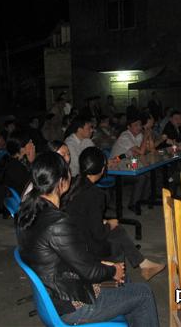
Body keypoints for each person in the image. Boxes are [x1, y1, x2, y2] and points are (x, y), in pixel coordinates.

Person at [17, 152, 159, 326]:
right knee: (143, 293)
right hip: (72, 304)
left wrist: (102, 265)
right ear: (62, 181)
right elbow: (89, 272)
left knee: (125, 282)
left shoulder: (28, 211)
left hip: (57, 289)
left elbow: (63, 257)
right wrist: (112, 270)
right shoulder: (57, 223)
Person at [63, 147, 165, 281]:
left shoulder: (74, 184)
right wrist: (109, 224)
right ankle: (120, 280)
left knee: (117, 229)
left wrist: (105, 222)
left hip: (72, 239)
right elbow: (98, 234)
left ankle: (144, 265)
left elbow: (81, 217)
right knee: (116, 237)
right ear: (102, 169)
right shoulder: (95, 194)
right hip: (85, 246)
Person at [110, 117, 151, 214]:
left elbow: (145, 151)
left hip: (129, 161)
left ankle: (143, 200)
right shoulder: (125, 136)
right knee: (141, 176)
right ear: (128, 127)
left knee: (148, 171)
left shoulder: (139, 135)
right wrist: (145, 137)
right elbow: (141, 151)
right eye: (136, 125)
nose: (139, 127)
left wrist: (148, 138)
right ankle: (133, 203)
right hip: (117, 164)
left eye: (140, 125)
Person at [0, 134, 36, 217]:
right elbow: (32, 183)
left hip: (19, 193)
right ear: (21, 148)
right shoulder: (14, 166)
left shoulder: (16, 159)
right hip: (20, 198)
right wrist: (32, 162)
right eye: (29, 142)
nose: (33, 144)